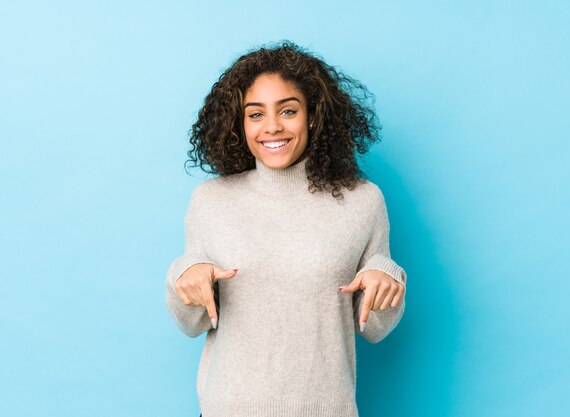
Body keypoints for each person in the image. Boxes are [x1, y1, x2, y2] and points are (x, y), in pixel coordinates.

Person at [164, 40, 407, 417]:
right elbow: (191, 322)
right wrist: (185, 277)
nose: (272, 126)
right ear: (239, 123)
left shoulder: (363, 201)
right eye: (255, 114)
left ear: (312, 116)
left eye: (288, 110)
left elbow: (374, 327)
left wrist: (389, 282)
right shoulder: (211, 201)